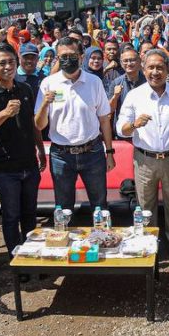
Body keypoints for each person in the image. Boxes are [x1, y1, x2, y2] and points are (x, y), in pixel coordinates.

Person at [117, 50, 169, 244]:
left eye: (160, 67)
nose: (155, 72)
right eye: (151, 67)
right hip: (144, 160)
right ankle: (149, 244)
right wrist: (135, 124)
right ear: (143, 70)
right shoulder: (135, 96)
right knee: (145, 207)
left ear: (168, 70)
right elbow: (121, 129)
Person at [0, 44, 44, 270]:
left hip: (29, 164)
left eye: (11, 62)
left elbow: (33, 124)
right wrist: (6, 112)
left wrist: (41, 150)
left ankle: (31, 256)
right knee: (10, 215)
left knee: (29, 214)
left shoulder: (25, 89)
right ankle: (17, 263)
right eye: (2, 63)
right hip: (4, 168)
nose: (8, 67)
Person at [35, 37, 115, 214]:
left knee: (100, 205)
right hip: (61, 156)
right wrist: (44, 105)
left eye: (72, 55)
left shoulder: (94, 82)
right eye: (62, 56)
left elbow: (104, 119)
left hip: (92, 152)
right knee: (63, 208)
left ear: (80, 57)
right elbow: (39, 125)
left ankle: (102, 238)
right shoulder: (49, 84)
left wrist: (109, 152)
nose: (67, 60)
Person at [107, 47, 145, 131]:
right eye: (125, 61)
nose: (129, 63)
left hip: (144, 130)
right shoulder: (116, 83)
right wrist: (115, 96)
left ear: (139, 61)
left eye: (132, 60)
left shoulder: (147, 82)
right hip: (123, 130)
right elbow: (109, 110)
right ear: (121, 63)